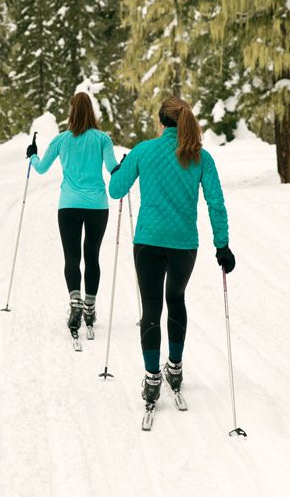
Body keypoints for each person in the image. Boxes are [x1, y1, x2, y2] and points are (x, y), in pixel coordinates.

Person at [108, 96, 235, 405]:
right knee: (176, 299)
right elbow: (215, 203)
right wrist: (223, 245)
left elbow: (115, 190)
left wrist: (121, 168)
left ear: (161, 122)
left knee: (151, 308)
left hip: (148, 242)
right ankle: (174, 369)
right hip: (183, 245)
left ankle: (152, 380)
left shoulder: (142, 151)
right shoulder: (200, 157)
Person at [28, 93, 118, 337]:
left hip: (68, 205)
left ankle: (75, 303)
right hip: (97, 206)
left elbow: (41, 167)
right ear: (92, 111)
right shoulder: (102, 139)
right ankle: (89, 307)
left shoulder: (61, 140)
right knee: (92, 256)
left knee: (71, 257)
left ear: (71, 112)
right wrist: (125, 166)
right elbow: (112, 169)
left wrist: (32, 154)